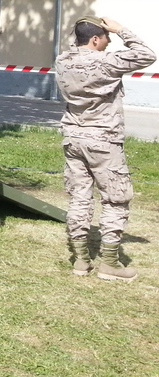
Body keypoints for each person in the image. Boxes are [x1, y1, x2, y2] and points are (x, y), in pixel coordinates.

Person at [54, 16, 155, 281]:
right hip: (103, 140)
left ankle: (80, 260)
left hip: (73, 137)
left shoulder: (63, 60)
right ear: (96, 39)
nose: (109, 43)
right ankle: (110, 263)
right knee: (116, 199)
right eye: (106, 39)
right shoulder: (107, 62)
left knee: (79, 197)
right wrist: (121, 30)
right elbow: (147, 55)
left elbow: (77, 47)